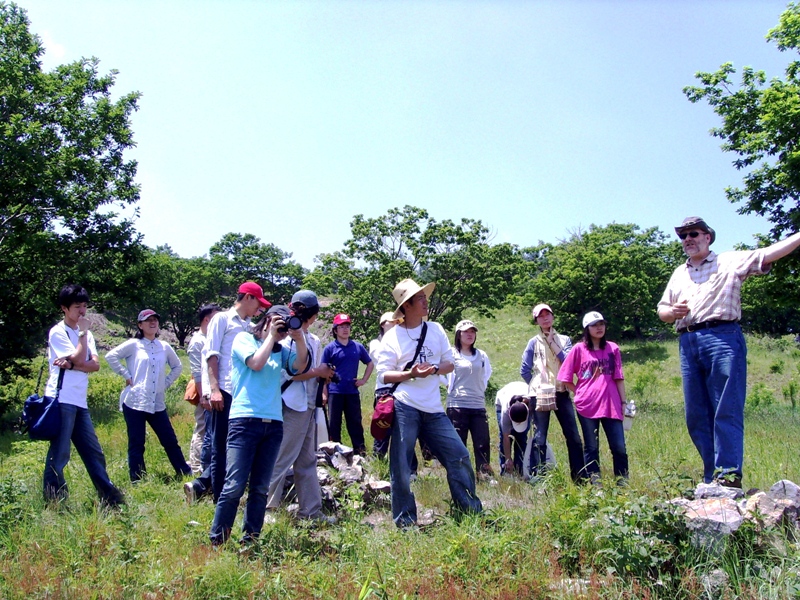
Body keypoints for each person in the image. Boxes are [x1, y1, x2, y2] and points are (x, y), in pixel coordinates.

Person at [658, 216, 800, 487]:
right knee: (696, 415)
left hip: (722, 337)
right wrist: (671, 312)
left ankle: (728, 476)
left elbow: (768, 254)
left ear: (707, 237)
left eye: (693, 234)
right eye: (683, 235)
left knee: (726, 408)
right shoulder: (679, 273)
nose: (688, 239)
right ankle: (711, 476)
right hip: (688, 341)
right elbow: (662, 310)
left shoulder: (729, 261)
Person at [375, 278, 482, 527]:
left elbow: (449, 364)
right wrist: (411, 374)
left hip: (433, 408)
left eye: (425, 297)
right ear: (407, 305)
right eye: (420, 298)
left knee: (459, 456)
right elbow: (383, 375)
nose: (426, 301)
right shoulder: (392, 337)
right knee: (401, 465)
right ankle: (405, 522)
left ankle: (471, 512)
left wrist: (432, 369)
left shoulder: (435, 329)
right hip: (404, 405)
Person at [209, 305, 308, 545]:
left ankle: (250, 540)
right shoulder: (243, 339)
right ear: (267, 320)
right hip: (244, 420)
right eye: (278, 321)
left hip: (273, 423)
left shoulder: (281, 350)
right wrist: (271, 337)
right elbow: (255, 363)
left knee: (260, 487)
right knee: (234, 485)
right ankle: (218, 540)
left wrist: (299, 338)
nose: (281, 327)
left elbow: (299, 366)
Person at [184, 281, 270, 503]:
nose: (259, 308)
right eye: (258, 303)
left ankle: (217, 489)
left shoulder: (250, 326)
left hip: (244, 393)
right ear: (248, 297)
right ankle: (219, 498)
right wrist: (213, 390)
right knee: (220, 445)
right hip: (224, 389)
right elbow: (211, 354)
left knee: (238, 444)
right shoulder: (222, 319)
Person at [43, 284, 125, 507]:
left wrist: (72, 364)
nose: (82, 311)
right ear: (64, 308)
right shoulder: (59, 332)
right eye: (77, 306)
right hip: (61, 399)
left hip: (79, 401)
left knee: (93, 452)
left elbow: (95, 365)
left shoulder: (87, 335)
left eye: (84, 306)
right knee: (60, 453)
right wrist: (80, 346)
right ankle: (55, 501)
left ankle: (110, 498)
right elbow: (82, 360)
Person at [266, 290, 336, 523]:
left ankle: (311, 511)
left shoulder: (313, 340)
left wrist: (323, 377)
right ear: (314, 314)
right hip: (291, 404)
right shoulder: (286, 337)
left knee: (307, 460)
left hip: (308, 405)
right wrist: (318, 372)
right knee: (282, 457)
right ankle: (265, 509)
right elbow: (290, 374)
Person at [106, 309, 191, 482]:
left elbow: (177, 367)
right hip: (135, 400)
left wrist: (165, 383)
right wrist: (126, 375)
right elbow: (110, 356)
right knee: (137, 443)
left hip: (157, 401)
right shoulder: (134, 344)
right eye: (148, 320)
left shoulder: (164, 346)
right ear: (140, 325)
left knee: (169, 439)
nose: (152, 323)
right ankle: (137, 479)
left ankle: (184, 473)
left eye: (155, 320)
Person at [557, 312, 628, 482]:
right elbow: (564, 377)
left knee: (619, 447)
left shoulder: (613, 348)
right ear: (587, 329)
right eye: (594, 325)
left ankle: (623, 484)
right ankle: (596, 485)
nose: (599, 328)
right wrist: (579, 392)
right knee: (591, 447)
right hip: (587, 406)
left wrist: (623, 402)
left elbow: (619, 377)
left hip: (611, 404)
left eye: (601, 324)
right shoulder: (578, 349)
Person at [520, 303, 585, 482]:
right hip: (539, 394)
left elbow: (569, 362)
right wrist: (535, 385)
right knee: (539, 437)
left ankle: (579, 477)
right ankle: (539, 478)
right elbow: (524, 370)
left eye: (547, 314)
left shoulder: (564, 340)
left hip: (561, 391)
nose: (545, 318)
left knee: (573, 436)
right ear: (536, 321)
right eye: (540, 316)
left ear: (553, 316)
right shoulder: (533, 342)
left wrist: (551, 342)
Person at [445, 319, 493, 477]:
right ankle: (460, 474)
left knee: (482, 442)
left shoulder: (482, 355)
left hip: (478, 405)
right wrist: (448, 386)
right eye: (466, 331)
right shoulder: (451, 354)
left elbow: (486, 375)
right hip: (457, 405)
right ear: (458, 334)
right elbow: (441, 374)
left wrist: (479, 390)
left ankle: (484, 474)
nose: (470, 334)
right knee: (458, 443)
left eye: (472, 331)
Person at [321, 314, 374, 455]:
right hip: (334, 392)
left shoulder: (357, 346)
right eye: (341, 327)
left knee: (355, 423)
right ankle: (335, 453)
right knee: (334, 424)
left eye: (347, 326)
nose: (345, 329)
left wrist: (363, 380)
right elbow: (323, 371)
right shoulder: (330, 348)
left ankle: (360, 452)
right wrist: (324, 392)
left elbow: (370, 363)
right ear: (335, 330)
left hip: (352, 391)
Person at [186, 304, 221, 475]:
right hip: (205, 393)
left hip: (212, 391)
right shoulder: (198, 341)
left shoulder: (211, 338)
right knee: (202, 428)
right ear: (207, 320)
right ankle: (196, 466)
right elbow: (197, 373)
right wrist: (203, 396)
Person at [369, 311, 402, 459]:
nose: (395, 324)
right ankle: (378, 460)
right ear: (382, 324)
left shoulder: (402, 343)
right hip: (384, 390)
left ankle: (404, 464)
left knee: (401, 429)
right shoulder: (376, 343)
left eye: (397, 322)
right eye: (391, 321)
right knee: (383, 427)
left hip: (400, 389)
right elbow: (382, 360)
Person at [494, 381, 533, 477]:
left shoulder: (531, 402)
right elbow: (506, 437)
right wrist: (508, 458)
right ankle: (506, 471)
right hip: (502, 399)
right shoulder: (505, 411)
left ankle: (520, 470)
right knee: (505, 437)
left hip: (524, 392)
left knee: (521, 437)